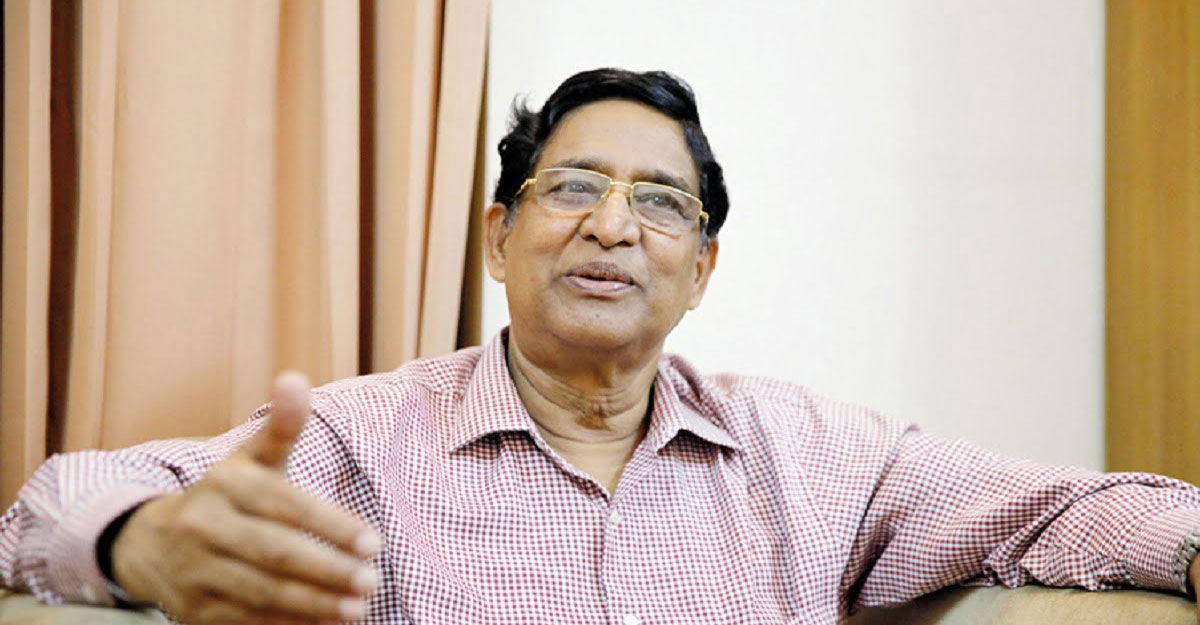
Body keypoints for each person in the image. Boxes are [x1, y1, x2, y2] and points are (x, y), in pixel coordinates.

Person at [2, 68, 1200, 625]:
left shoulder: (813, 454)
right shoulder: (363, 437)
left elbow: (1062, 511)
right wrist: (143, 544)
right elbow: (49, 506)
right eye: (573, 185)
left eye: (661, 202)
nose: (614, 225)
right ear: (499, 236)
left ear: (701, 269)